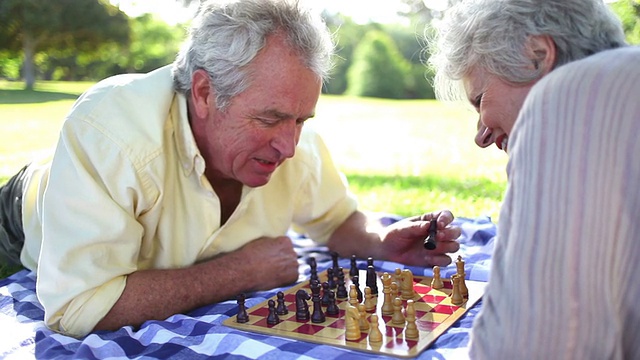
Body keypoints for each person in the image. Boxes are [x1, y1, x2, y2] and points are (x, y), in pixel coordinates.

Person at [0, 0, 461, 338]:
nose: (289, 145)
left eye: (301, 119)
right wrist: (238, 272)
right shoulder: (111, 135)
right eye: (270, 118)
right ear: (203, 93)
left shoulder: (298, 146)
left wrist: (385, 240)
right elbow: (79, 307)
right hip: (22, 216)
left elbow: (337, 220)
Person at [429, 0, 640, 358]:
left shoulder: (566, 98)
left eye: (480, 100)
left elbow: (530, 345)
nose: (480, 136)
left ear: (538, 56)